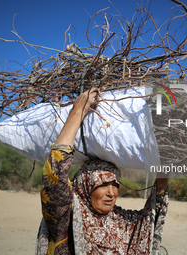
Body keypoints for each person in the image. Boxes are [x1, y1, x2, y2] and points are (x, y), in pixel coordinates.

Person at [35, 88, 169, 255]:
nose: (112, 193)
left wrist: (166, 158)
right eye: (103, 184)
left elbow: (153, 213)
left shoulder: (121, 222)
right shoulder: (66, 216)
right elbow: (56, 176)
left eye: (115, 185)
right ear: (86, 186)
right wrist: (78, 111)